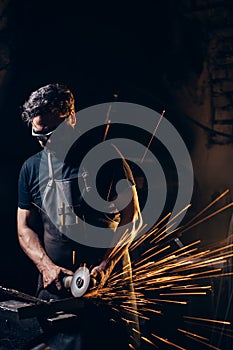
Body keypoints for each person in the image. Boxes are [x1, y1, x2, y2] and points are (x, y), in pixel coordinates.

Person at [17, 83, 142, 349]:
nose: (45, 142)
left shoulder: (107, 159)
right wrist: (45, 266)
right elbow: (24, 227)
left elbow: (132, 219)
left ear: (71, 118)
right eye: (39, 136)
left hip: (108, 286)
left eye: (53, 134)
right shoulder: (30, 169)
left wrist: (107, 264)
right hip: (56, 289)